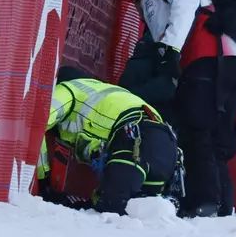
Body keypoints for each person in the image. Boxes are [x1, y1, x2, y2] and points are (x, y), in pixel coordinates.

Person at [107, 0, 236, 218]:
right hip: (229, 59)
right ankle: (221, 208)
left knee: (197, 131)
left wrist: (170, 48)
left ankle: (204, 203)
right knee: (215, 138)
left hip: (208, 56)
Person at [36, 78, 179, 215]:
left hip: (134, 142)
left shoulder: (66, 90)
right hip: (166, 143)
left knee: (110, 207)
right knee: (148, 216)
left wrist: (44, 181)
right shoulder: (105, 92)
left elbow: (37, 125)